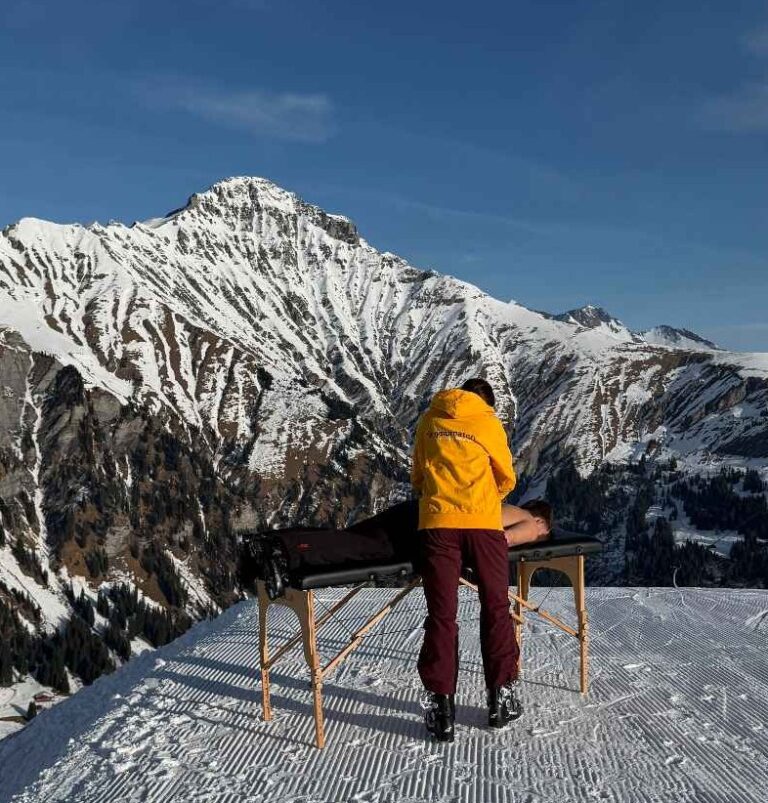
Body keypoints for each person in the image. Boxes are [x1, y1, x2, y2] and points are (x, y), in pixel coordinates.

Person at [411, 377, 522, 742]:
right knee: (495, 606)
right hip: (483, 524)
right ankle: (500, 699)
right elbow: (506, 477)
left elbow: (418, 475)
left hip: (438, 525)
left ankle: (441, 708)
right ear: (487, 402)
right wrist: (483, 496)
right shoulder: (488, 422)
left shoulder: (430, 419)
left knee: (442, 615)